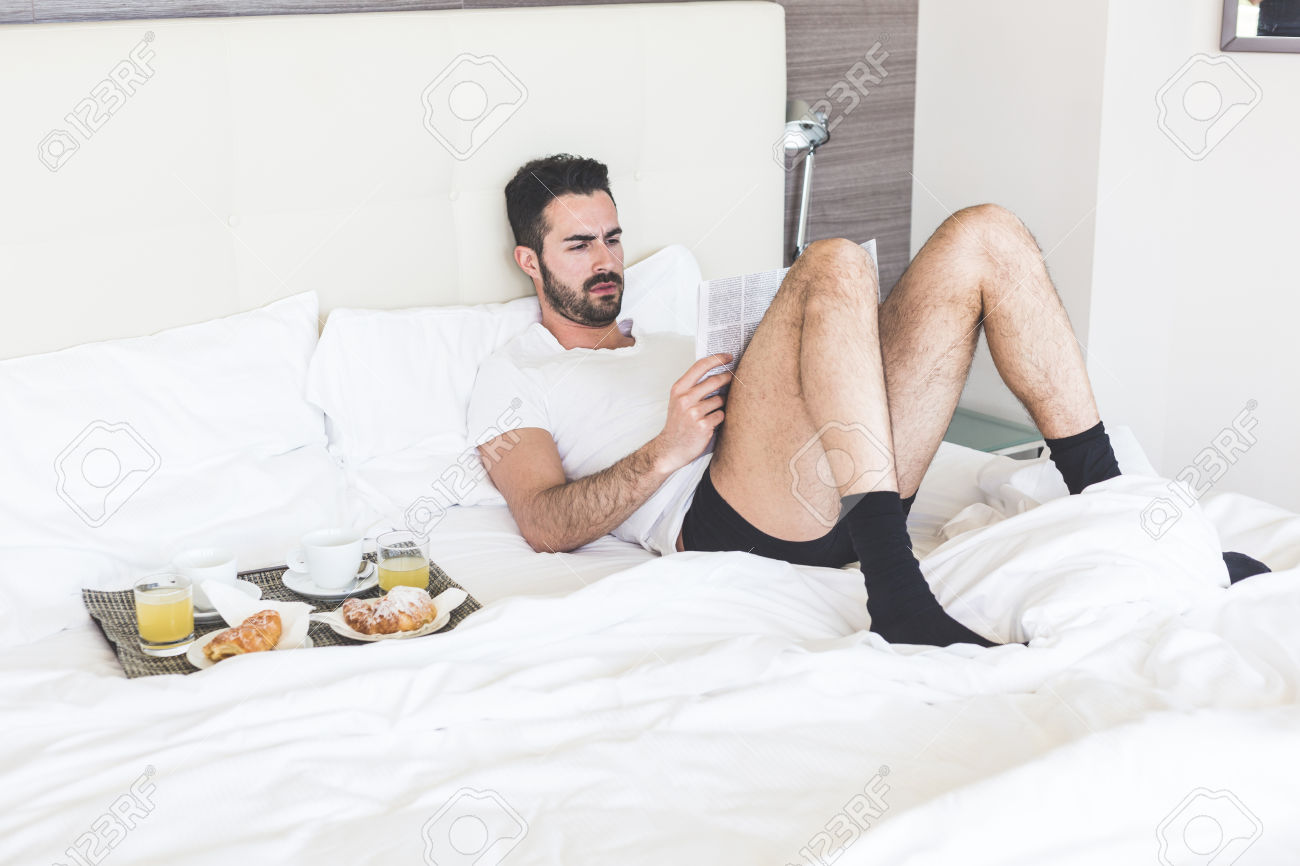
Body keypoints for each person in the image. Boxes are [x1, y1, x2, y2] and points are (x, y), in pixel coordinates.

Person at [467, 154, 1268, 648]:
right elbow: (541, 523)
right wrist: (670, 446)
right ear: (529, 263)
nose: (606, 261)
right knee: (833, 262)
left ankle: (1124, 516)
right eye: (578, 246)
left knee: (986, 230)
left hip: (845, 473)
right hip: (726, 517)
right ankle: (895, 586)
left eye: (611, 238)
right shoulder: (516, 371)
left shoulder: (672, 335)